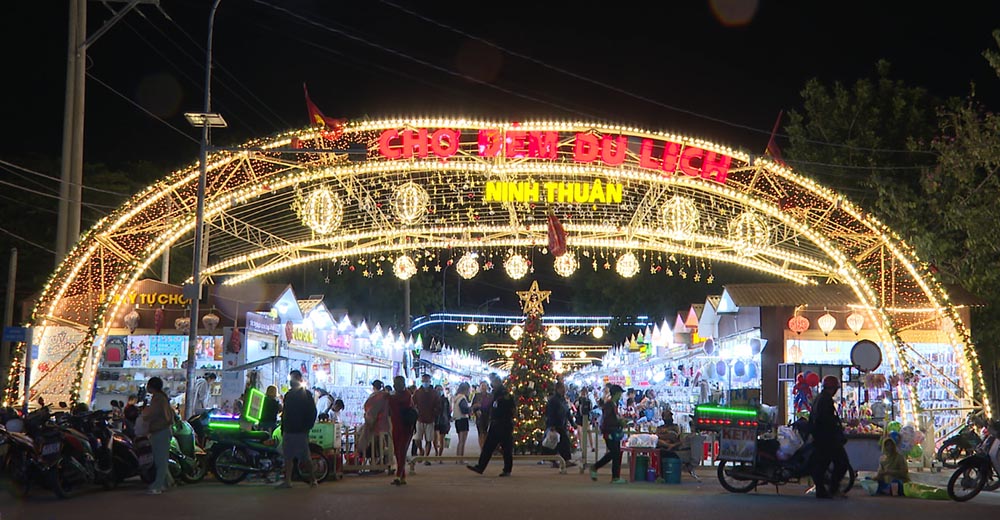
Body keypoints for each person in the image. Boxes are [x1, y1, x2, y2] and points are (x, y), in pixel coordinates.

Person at [809, 375, 849, 499]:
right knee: (841, 463)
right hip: (828, 439)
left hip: (820, 437)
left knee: (822, 464)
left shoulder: (819, 398)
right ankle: (832, 488)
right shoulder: (825, 400)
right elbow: (827, 420)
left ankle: (824, 489)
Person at [467, 373, 514, 477]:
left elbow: (508, 409)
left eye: (493, 382)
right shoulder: (497, 393)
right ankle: (481, 466)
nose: (491, 384)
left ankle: (506, 469)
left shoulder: (503, 394)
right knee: (489, 447)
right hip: (497, 424)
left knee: (505, 448)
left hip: (503, 424)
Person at [277, 370, 318, 489]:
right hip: (289, 430)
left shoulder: (306, 394)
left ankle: (313, 479)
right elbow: (285, 412)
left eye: (293, 379)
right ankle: (288, 480)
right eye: (290, 379)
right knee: (288, 457)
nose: (291, 381)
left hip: (300, 430)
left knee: (305, 457)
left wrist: (307, 426)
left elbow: (312, 412)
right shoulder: (289, 395)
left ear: (299, 379)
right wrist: (283, 426)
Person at [142, 377, 176, 495]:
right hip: (163, 431)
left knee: (160, 460)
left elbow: (152, 414)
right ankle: (166, 482)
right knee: (161, 459)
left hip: (160, 431)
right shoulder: (162, 397)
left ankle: (158, 486)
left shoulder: (158, 399)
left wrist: (144, 415)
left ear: (151, 386)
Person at [591, 384, 626, 484]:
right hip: (610, 431)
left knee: (615, 453)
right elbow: (607, 419)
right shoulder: (610, 405)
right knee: (615, 452)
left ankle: (615, 476)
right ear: (616, 393)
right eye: (620, 393)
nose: (621, 396)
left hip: (613, 431)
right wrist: (619, 422)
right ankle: (613, 476)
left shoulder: (614, 404)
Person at [387, 376, 416, 486]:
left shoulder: (404, 396)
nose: (396, 385)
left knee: (401, 451)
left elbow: (394, 403)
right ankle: (402, 476)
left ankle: (399, 475)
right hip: (397, 426)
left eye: (397, 383)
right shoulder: (396, 396)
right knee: (398, 451)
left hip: (405, 427)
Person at [358, 380, 391, 461]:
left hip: (376, 425)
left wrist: (368, 419)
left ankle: (376, 461)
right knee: (385, 444)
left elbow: (370, 411)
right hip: (387, 424)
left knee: (375, 444)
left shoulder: (375, 397)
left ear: (373, 387)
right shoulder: (386, 396)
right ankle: (386, 461)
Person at [545, 382, 576, 467]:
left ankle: (565, 460)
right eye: (563, 388)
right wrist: (552, 426)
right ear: (558, 389)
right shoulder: (553, 400)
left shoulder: (562, 399)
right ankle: (557, 461)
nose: (564, 390)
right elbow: (550, 413)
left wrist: (572, 423)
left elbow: (567, 411)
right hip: (556, 424)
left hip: (562, 424)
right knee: (556, 443)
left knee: (564, 443)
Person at [413, 374, 441, 462]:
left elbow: (438, 405)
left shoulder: (434, 393)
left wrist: (434, 414)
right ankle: (421, 450)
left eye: (427, 381)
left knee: (429, 440)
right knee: (417, 439)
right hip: (419, 419)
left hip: (430, 420)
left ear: (430, 381)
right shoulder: (417, 392)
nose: (425, 382)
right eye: (424, 380)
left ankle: (426, 458)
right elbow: (413, 404)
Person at [452, 382, 472, 464]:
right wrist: (470, 409)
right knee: (462, 441)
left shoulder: (457, 397)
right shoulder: (462, 398)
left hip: (457, 419)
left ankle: (458, 458)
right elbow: (464, 410)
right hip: (463, 419)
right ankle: (460, 459)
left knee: (460, 441)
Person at [471, 380, 492, 450]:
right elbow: (473, 406)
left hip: (487, 416)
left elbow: (492, 406)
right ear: (480, 387)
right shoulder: (477, 396)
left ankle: (485, 447)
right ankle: (482, 448)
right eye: (482, 386)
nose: (483, 387)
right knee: (480, 433)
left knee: (486, 433)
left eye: (485, 386)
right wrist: (476, 410)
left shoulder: (490, 396)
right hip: (480, 416)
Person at [434, 385, 452, 459]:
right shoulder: (433, 399)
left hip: (444, 421)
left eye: (441, 389)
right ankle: (436, 452)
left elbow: (448, 411)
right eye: (438, 389)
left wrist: (449, 420)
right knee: (434, 439)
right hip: (435, 421)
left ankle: (439, 455)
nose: (439, 391)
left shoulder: (445, 399)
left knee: (442, 439)